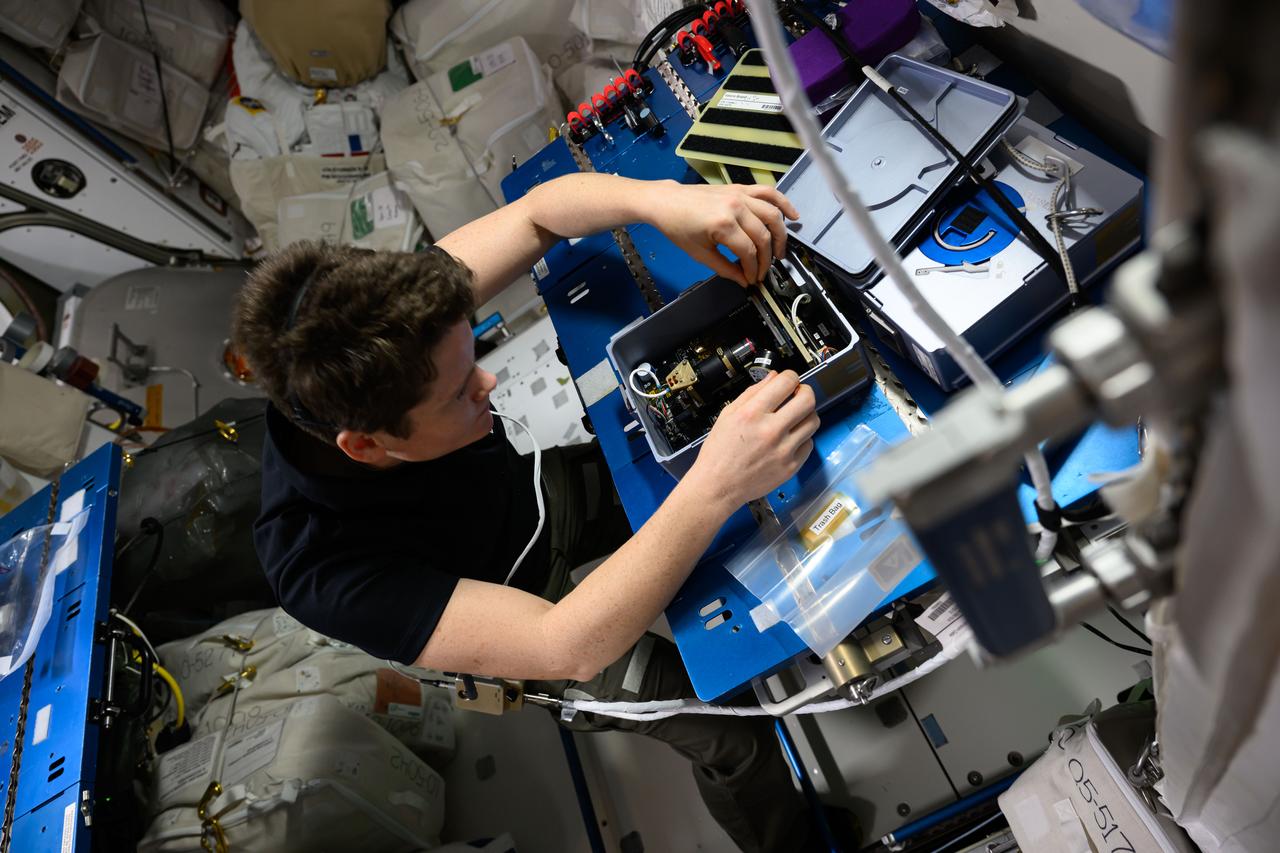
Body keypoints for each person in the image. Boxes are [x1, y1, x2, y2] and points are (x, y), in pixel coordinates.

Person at [234, 174, 829, 852]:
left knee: (690, 450)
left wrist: (663, 201)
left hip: (539, 500)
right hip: (516, 610)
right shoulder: (323, 569)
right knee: (732, 729)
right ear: (367, 445)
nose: (489, 384)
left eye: (474, 359)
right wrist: (715, 486)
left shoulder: (392, 318)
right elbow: (562, 644)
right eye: (461, 393)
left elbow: (538, 214)